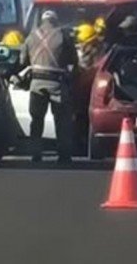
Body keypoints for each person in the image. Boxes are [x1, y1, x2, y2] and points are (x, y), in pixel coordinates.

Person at [20, 10, 78, 164]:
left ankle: (36, 154)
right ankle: (64, 155)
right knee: (61, 120)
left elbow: (22, 61)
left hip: (36, 84)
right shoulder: (64, 36)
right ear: (55, 21)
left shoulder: (31, 37)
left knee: (36, 120)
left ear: (42, 21)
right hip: (57, 84)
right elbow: (74, 60)